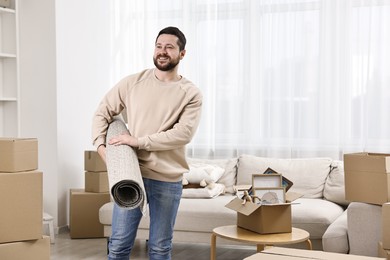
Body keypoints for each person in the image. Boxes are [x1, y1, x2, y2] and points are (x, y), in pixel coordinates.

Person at [92, 26, 202, 260]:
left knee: (160, 248)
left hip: (168, 179)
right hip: (132, 176)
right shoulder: (133, 83)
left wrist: (138, 141)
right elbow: (103, 111)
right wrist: (101, 148)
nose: (162, 51)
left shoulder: (191, 93)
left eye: (169, 47)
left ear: (182, 54)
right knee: (119, 245)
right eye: (159, 46)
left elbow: (183, 134)